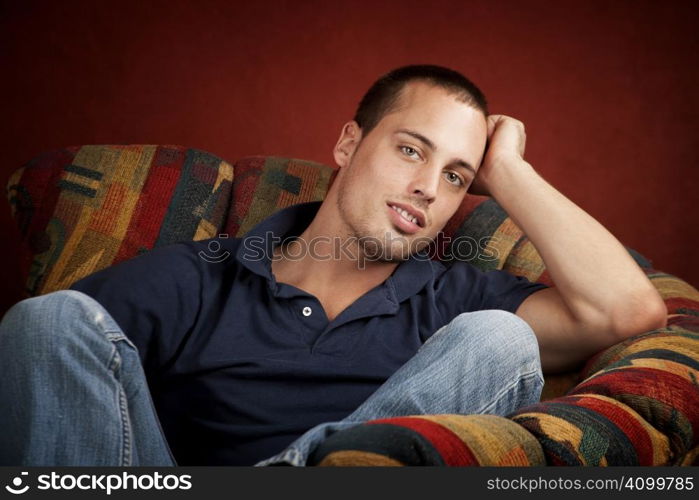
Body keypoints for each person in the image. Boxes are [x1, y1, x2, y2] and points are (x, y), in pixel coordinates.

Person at [0, 65, 666, 466]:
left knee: (500, 337)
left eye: (457, 175)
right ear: (349, 142)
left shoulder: (454, 298)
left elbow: (626, 312)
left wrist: (510, 171)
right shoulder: (203, 275)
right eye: (410, 151)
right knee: (48, 319)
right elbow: (53, 366)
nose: (430, 188)